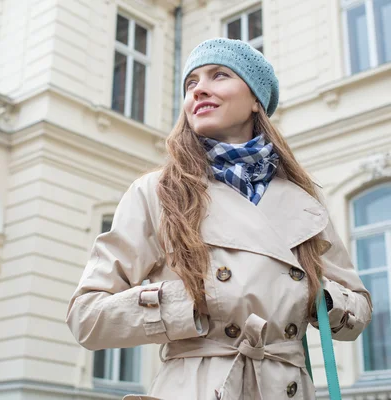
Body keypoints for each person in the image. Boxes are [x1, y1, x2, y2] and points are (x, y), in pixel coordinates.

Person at [65, 38, 373, 400]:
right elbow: (86, 317)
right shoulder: (157, 192)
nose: (200, 90)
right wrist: (188, 304)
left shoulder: (304, 200)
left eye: (219, 75)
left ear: (257, 100)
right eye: (191, 83)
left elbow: (359, 309)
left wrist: (317, 297)